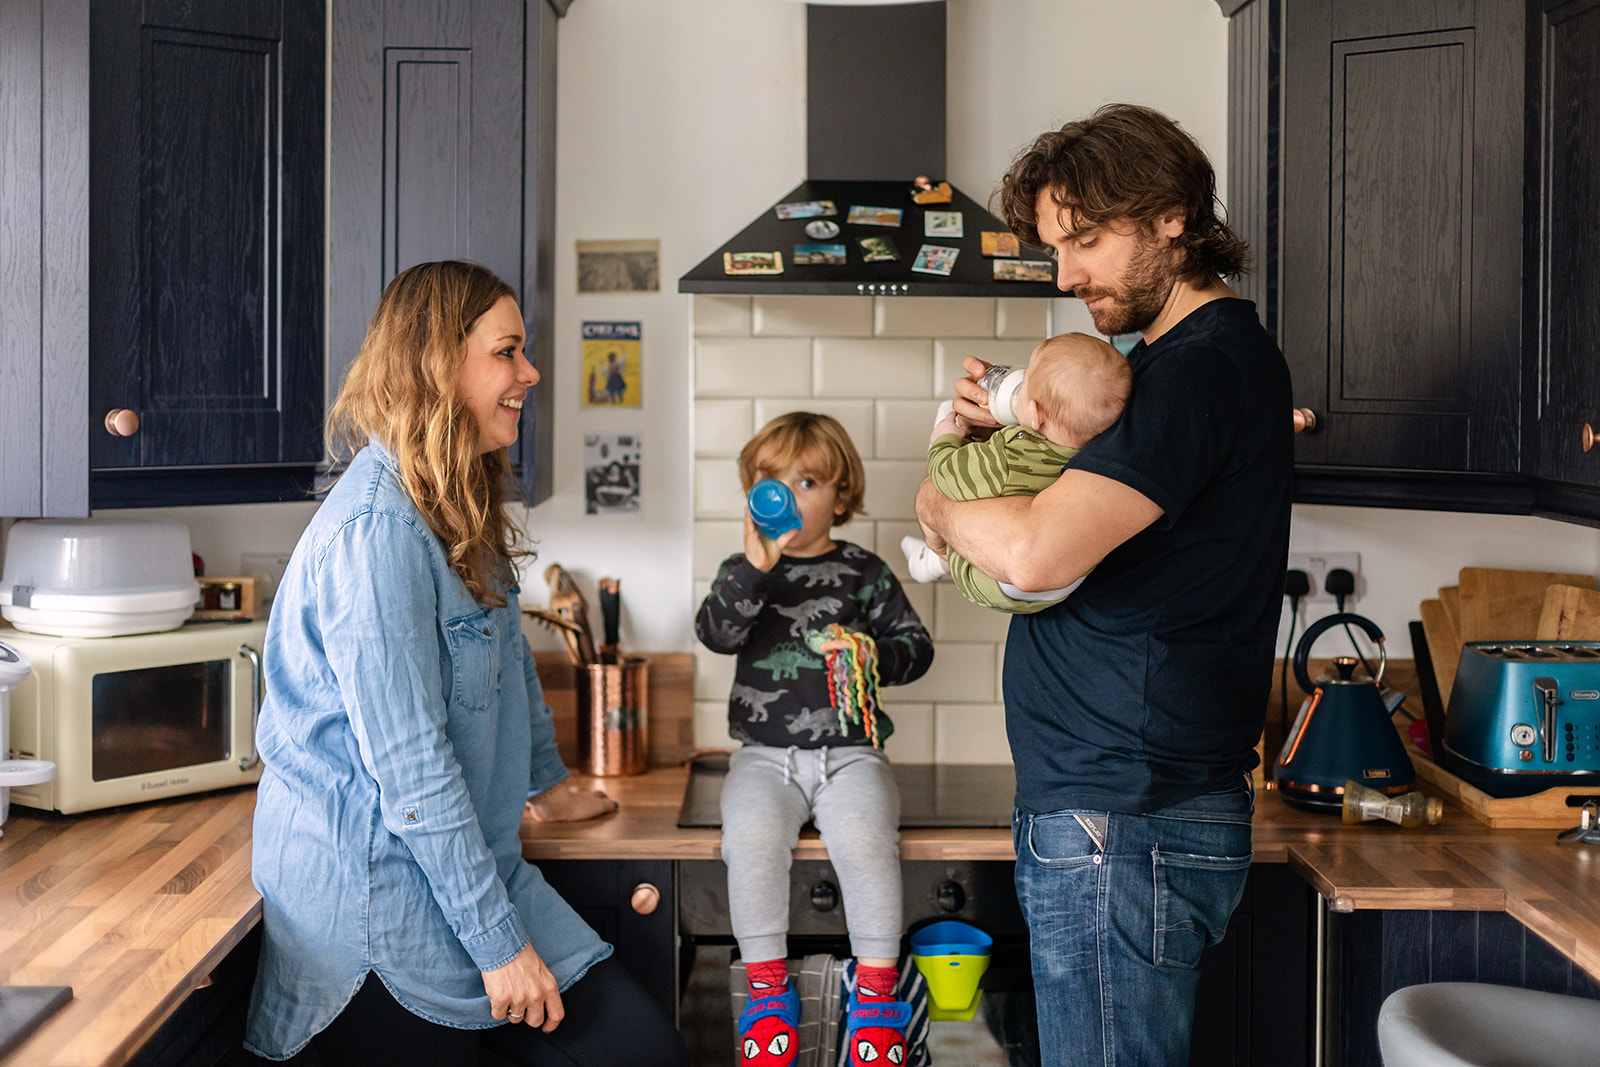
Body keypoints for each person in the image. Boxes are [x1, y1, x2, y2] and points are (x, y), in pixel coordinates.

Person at [914, 104, 1292, 1065]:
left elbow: (1035, 556)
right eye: (1056, 247)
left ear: (1172, 215)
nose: (1067, 273)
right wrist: (984, 452)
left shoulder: (1197, 372)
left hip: (1125, 823)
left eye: (1085, 241)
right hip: (1118, 815)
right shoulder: (1163, 370)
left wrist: (943, 508)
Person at [245, 260, 688, 1066]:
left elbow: (507, 655)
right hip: (378, 912)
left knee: (645, 1052)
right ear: (437, 365)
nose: (531, 372)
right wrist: (496, 944)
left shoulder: (453, 508)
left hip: (471, 871)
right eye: (508, 352)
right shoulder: (375, 535)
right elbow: (411, 768)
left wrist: (548, 785)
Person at [695, 412, 934, 1067]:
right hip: (763, 757)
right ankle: (769, 996)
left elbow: (918, 648)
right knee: (748, 839)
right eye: (772, 480)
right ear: (752, 493)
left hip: (853, 753)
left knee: (865, 842)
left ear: (841, 495)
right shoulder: (743, 570)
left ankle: (879, 1001)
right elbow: (715, 632)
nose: (789, 495)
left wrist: (871, 655)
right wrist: (752, 566)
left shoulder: (864, 571)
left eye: (807, 480)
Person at [900, 331, 1132, 613]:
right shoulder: (1100, 452)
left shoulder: (1007, 457)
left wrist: (946, 438)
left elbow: (945, 474)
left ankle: (931, 563)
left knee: (962, 532)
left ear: (1034, 413)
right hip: (1069, 578)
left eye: (1025, 385)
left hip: (992, 581)